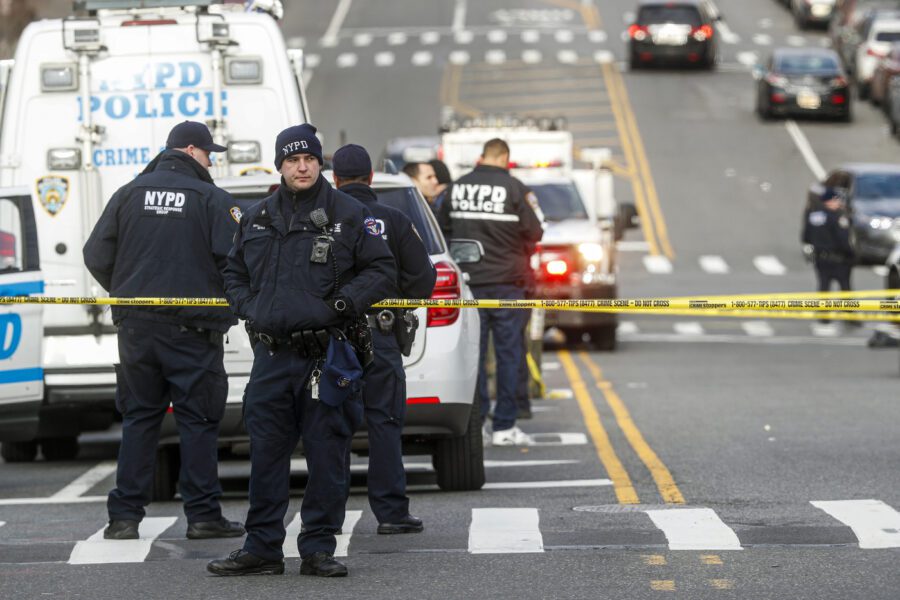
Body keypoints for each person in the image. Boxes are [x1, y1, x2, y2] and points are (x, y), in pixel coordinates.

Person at [207, 124, 396, 578]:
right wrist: (248, 305)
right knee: (267, 455)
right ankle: (262, 547)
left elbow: (382, 270)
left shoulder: (348, 213)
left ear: (320, 162)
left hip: (325, 357)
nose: (303, 166)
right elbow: (232, 272)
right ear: (281, 166)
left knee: (327, 455)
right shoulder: (256, 217)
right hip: (271, 358)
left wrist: (341, 304)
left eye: (309, 158)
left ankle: (317, 548)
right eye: (293, 160)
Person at [83, 121, 245, 541]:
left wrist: (127, 290)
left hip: (137, 329)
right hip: (193, 332)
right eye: (209, 153)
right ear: (191, 150)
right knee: (197, 421)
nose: (212, 160)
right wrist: (230, 304)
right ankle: (203, 516)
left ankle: (124, 518)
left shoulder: (128, 194)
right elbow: (236, 262)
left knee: (139, 419)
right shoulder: (211, 199)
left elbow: (95, 254)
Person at [331, 144, 437, 535]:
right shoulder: (393, 219)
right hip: (381, 335)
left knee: (332, 425)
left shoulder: (321, 219)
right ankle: (391, 513)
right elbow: (424, 281)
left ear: (335, 180)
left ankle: (330, 515)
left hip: (332, 339)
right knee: (385, 423)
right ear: (371, 178)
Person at [438, 138, 543, 446]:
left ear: (482, 157)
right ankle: (505, 426)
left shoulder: (457, 187)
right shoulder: (514, 189)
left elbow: (443, 229)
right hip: (509, 284)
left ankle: (477, 423)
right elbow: (535, 231)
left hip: (470, 284)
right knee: (510, 355)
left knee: (474, 357)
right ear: (506, 158)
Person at [802, 187, 856, 324]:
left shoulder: (813, 215)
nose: (839, 203)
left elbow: (805, 236)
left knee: (824, 286)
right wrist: (852, 254)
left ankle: (824, 315)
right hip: (839, 258)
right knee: (845, 287)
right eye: (836, 200)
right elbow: (843, 238)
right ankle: (849, 316)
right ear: (830, 201)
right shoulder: (837, 216)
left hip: (821, 258)